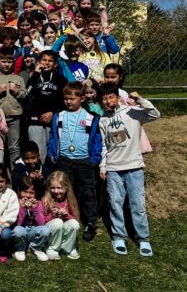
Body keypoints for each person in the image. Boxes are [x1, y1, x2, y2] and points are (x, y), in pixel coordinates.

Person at [99, 83, 160, 256]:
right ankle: (119, 235)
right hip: (113, 168)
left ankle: (143, 238)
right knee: (115, 203)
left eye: (111, 97)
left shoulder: (132, 112)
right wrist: (103, 166)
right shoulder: (103, 120)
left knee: (137, 204)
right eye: (104, 99)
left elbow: (155, 114)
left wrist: (140, 99)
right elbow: (104, 145)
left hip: (134, 167)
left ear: (118, 98)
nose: (108, 101)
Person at [47, 81, 102, 242]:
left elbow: (97, 140)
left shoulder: (91, 117)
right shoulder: (59, 116)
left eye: (72, 99)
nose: (68, 102)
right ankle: (64, 217)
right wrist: (52, 152)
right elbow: (53, 136)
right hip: (64, 160)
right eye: (66, 98)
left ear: (82, 99)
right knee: (64, 191)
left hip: (84, 161)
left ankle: (90, 222)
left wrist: (94, 159)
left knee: (87, 192)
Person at [25, 50, 67, 162]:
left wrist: (52, 112)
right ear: (39, 62)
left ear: (55, 64)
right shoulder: (35, 77)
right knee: (38, 152)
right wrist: (36, 74)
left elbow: (63, 100)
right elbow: (27, 92)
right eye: (44, 60)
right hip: (35, 119)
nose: (47, 63)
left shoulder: (61, 79)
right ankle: (38, 172)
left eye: (50, 61)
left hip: (52, 119)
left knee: (52, 151)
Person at [0, 46, 27, 167]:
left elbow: (24, 97)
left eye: (9, 62)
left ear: (14, 62)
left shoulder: (18, 78)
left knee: (14, 148)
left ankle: (15, 174)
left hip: (14, 117)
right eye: (4, 61)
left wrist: (16, 91)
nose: (6, 64)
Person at [42, 171, 81, 260]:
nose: (56, 191)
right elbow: (41, 222)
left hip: (64, 231)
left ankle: (67, 247)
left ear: (66, 187)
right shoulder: (46, 200)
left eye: (59, 188)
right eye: (52, 188)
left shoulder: (70, 200)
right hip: (51, 232)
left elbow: (76, 220)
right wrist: (52, 216)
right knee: (58, 222)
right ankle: (52, 248)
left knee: (73, 223)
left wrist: (67, 215)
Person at [11, 176, 50, 262]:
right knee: (17, 230)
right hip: (22, 231)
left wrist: (35, 209)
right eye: (25, 192)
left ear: (36, 193)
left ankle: (36, 247)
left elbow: (41, 223)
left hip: (33, 231)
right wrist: (22, 208)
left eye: (31, 193)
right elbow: (18, 224)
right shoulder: (16, 203)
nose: (28, 196)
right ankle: (20, 249)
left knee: (45, 230)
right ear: (19, 191)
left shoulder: (38, 203)